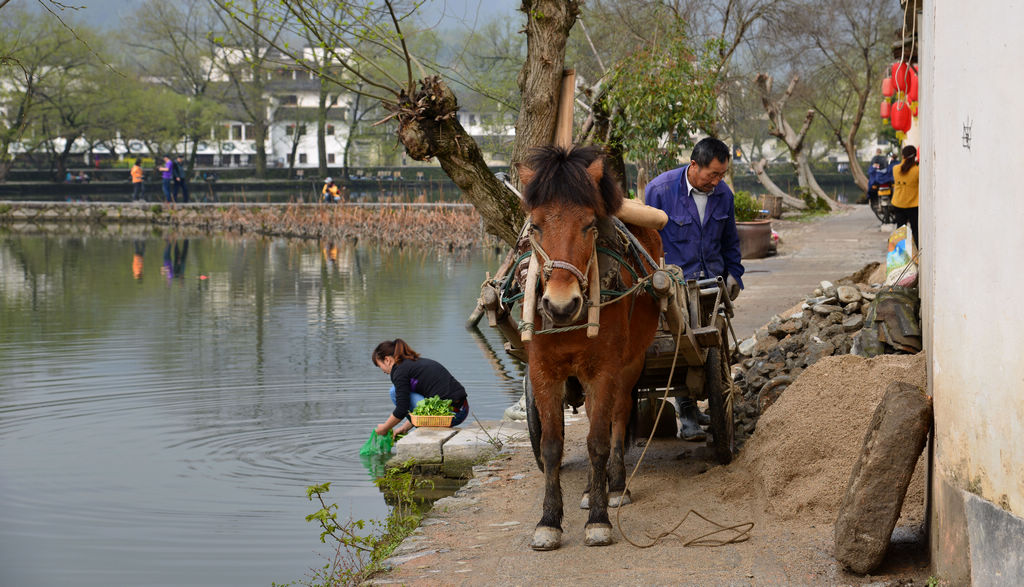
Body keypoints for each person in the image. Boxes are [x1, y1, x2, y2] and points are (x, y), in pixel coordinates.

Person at [644, 136, 744, 442]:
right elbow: (645, 242)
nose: (716, 181)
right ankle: (685, 413)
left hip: (710, 283)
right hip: (674, 285)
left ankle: (703, 405)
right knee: (681, 345)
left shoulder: (723, 194)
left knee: (709, 348)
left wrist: (735, 275)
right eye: (711, 174)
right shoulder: (660, 191)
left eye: (721, 175)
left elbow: (730, 240)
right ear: (693, 166)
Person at [372, 339, 469, 437]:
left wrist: (384, 428)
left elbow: (402, 408)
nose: (383, 371)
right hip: (461, 411)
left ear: (387, 360)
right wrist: (405, 427)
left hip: (450, 415)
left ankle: (430, 430)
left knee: (393, 391)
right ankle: (427, 426)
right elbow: (422, 401)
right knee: (399, 392)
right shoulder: (413, 364)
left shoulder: (399, 371)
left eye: (380, 366)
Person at [891, 144, 920, 249]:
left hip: (898, 204)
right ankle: (917, 255)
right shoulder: (917, 171)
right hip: (913, 205)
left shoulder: (895, 169)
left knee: (900, 231)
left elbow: (903, 168)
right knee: (916, 230)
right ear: (915, 156)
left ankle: (901, 258)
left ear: (902, 156)